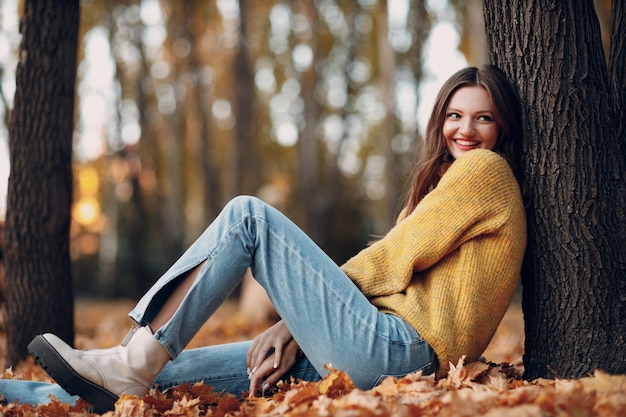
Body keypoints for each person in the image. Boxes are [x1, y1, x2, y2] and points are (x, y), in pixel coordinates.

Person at [1, 65, 527, 413]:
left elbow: (396, 256)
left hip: (396, 350)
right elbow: (397, 279)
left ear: (503, 127)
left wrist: (292, 318)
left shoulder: (485, 170)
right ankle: (33, 393)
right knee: (169, 374)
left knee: (248, 217)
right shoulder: (454, 183)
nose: (466, 129)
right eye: (455, 115)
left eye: (483, 117)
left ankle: (131, 360)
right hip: (374, 346)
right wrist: (299, 327)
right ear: (441, 120)